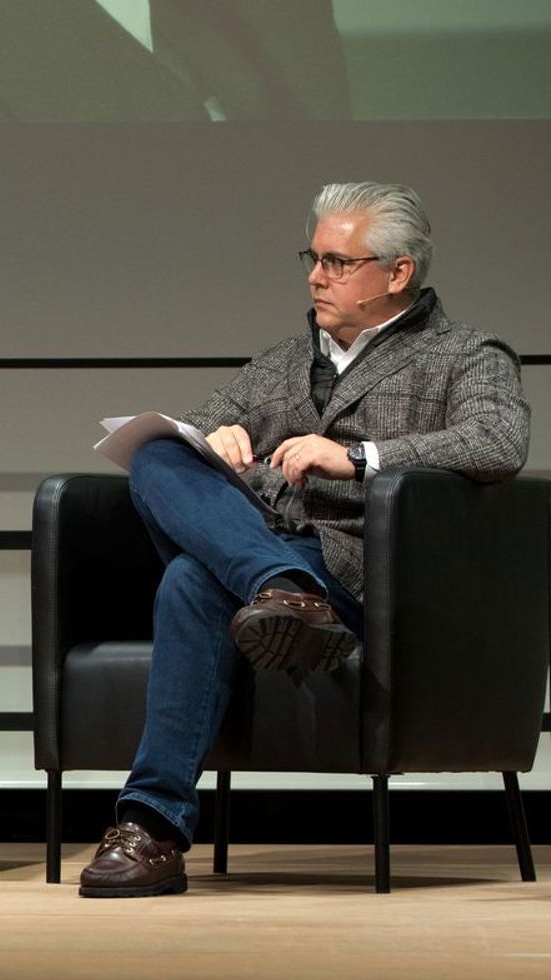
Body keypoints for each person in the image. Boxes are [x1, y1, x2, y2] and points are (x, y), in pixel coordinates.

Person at [78, 182, 531, 897]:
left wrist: (359, 457)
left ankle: (151, 826)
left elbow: (497, 440)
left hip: (363, 574)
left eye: (338, 262)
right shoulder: (284, 363)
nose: (316, 276)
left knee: (191, 580)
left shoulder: (465, 354)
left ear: (399, 272)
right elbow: (199, 428)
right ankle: (281, 589)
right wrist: (216, 439)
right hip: (270, 555)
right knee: (157, 452)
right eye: (312, 258)